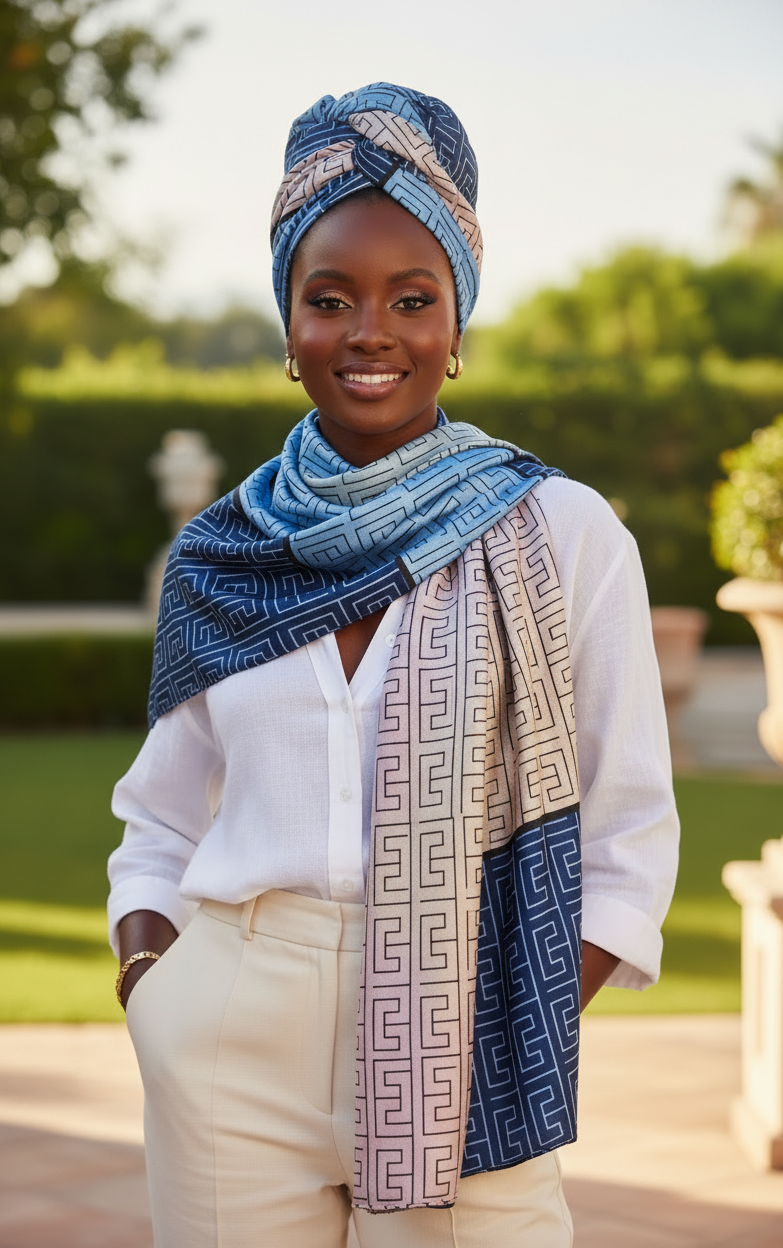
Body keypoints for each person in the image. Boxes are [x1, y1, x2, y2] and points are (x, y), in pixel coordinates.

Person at [108, 83, 679, 1248]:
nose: (371, 332)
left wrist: (503, 1022)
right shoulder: (221, 551)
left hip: (466, 1021)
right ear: (288, 326)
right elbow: (159, 818)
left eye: (412, 300)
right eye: (330, 299)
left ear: (456, 326)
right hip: (232, 1034)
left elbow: (628, 839)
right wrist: (150, 988)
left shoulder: (560, 533)